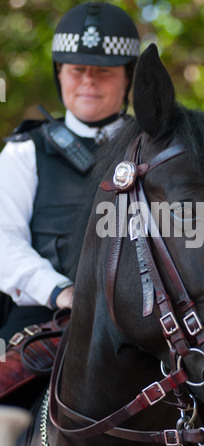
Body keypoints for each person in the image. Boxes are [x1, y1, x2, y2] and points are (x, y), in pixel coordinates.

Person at [0, 2, 140, 344]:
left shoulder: (155, 148)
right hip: (46, 315)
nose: (88, 80)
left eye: (104, 71)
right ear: (59, 73)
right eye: (77, 69)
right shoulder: (24, 151)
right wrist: (61, 292)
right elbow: (3, 241)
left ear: (127, 78)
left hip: (142, 318)